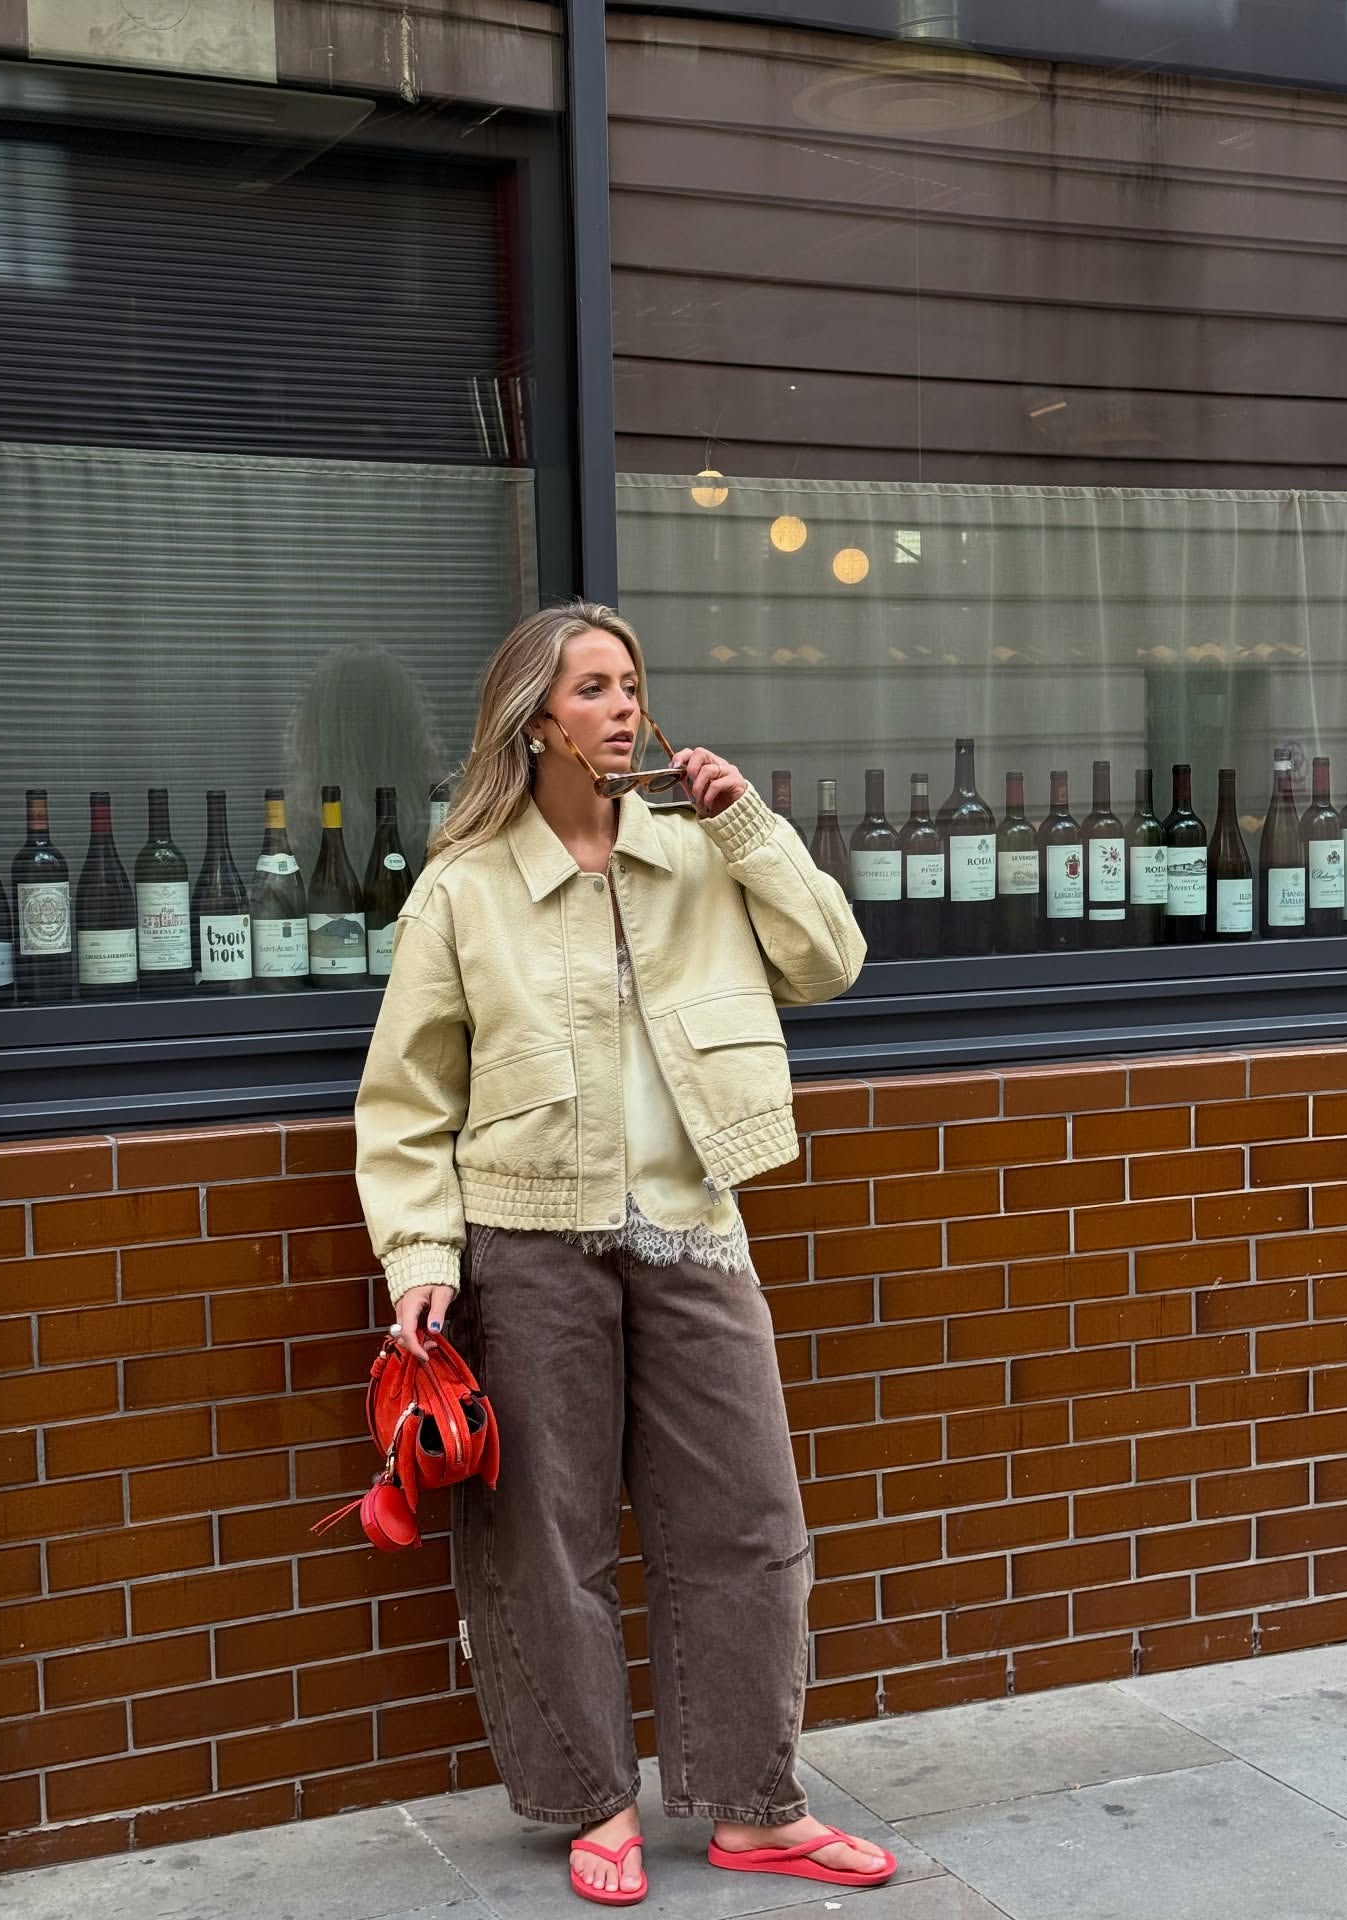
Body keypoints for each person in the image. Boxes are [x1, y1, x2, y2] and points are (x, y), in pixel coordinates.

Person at [353, 601, 895, 1907]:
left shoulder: (702, 848)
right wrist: (422, 1256)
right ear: (537, 717)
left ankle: (756, 1804)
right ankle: (591, 1798)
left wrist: (747, 825)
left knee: (750, 1519)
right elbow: (407, 1098)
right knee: (545, 1534)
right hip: (531, 1235)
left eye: (633, 682)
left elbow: (831, 962)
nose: (622, 705)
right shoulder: (466, 889)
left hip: (694, 1226)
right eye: (593, 686)